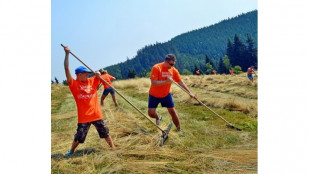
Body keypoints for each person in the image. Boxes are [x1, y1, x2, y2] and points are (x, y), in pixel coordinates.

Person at [63, 46, 115, 158]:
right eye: (85, 73)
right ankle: (71, 151)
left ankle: (113, 149)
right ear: (79, 75)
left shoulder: (92, 81)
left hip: (96, 114)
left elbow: (100, 75)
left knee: (105, 132)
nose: (88, 75)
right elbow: (67, 69)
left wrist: (98, 75)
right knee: (79, 137)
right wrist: (67, 54)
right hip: (84, 117)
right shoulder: (74, 85)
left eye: (88, 73)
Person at [148, 54, 196, 132]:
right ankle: (158, 117)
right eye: (171, 64)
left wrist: (189, 93)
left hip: (166, 94)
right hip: (154, 95)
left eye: (173, 64)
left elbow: (181, 83)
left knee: (172, 111)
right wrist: (166, 81)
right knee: (151, 113)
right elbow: (153, 83)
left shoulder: (173, 70)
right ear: (166, 62)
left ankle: (179, 129)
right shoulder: (157, 68)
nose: (172, 66)